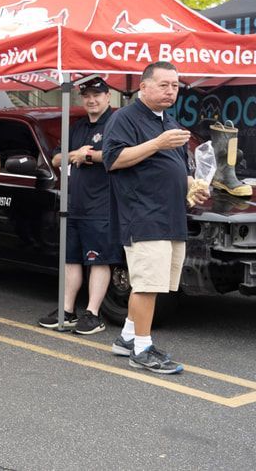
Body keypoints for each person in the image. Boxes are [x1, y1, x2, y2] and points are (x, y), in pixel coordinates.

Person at [103, 61, 209, 374]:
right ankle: (142, 348)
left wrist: (192, 186)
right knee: (146, 285)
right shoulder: (125, 118)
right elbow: (113, 159)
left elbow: (176, 168)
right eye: (164, 85)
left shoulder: (168, 121)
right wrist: (157, 143)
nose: (171, 91)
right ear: (144, 86)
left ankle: (127, 338)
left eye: (175, 86)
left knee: (158, 284)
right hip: (144, 216)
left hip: (170, 216)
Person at [37, 78, 121, 335]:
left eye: (97, 94)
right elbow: (56, 158)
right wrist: (76, 154)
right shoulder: (78, 126)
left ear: (108, 96)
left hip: (102, 205)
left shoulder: (116, 123)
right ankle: (67, 310)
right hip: (75, 203)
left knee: (98, 260)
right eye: (87, 95)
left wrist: (87, 155)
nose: (91, 100)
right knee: (71, 258)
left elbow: (120, 156)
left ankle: (93, 314)